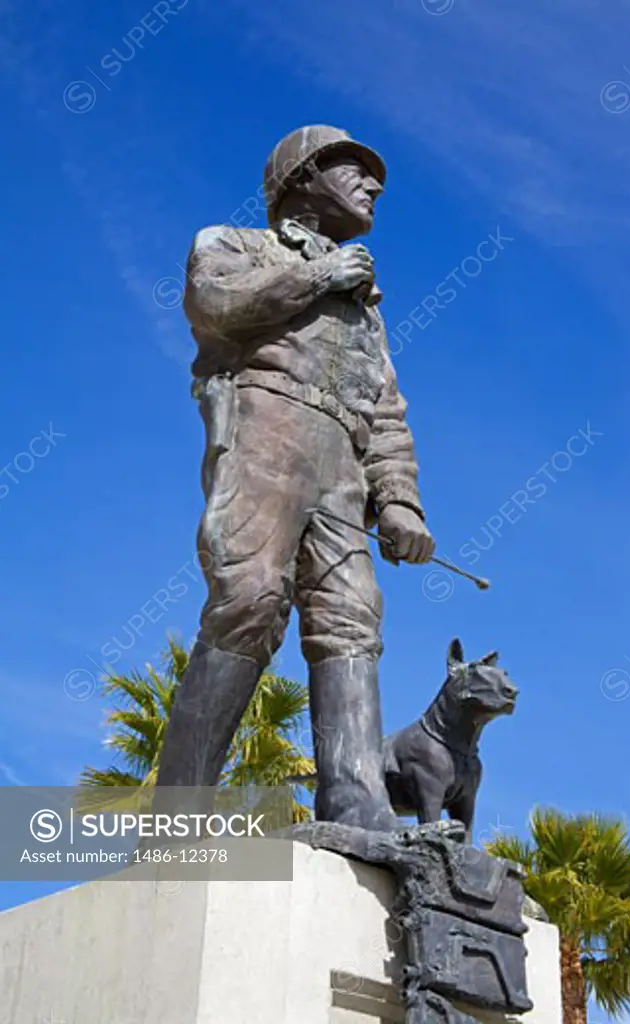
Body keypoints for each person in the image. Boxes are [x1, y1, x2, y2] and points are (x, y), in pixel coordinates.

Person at [155, 125, 434, 831]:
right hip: (266, 424)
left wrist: (399, 500)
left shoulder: (365, 307)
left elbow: (385, 408)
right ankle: (179, 814)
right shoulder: (235, 243)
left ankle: (354, 800)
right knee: (248, 598)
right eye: (355, 171)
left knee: (351, 619)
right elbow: (213, 304)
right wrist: (315, 276)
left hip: (342, 458)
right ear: (304, 176)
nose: (373, 186)